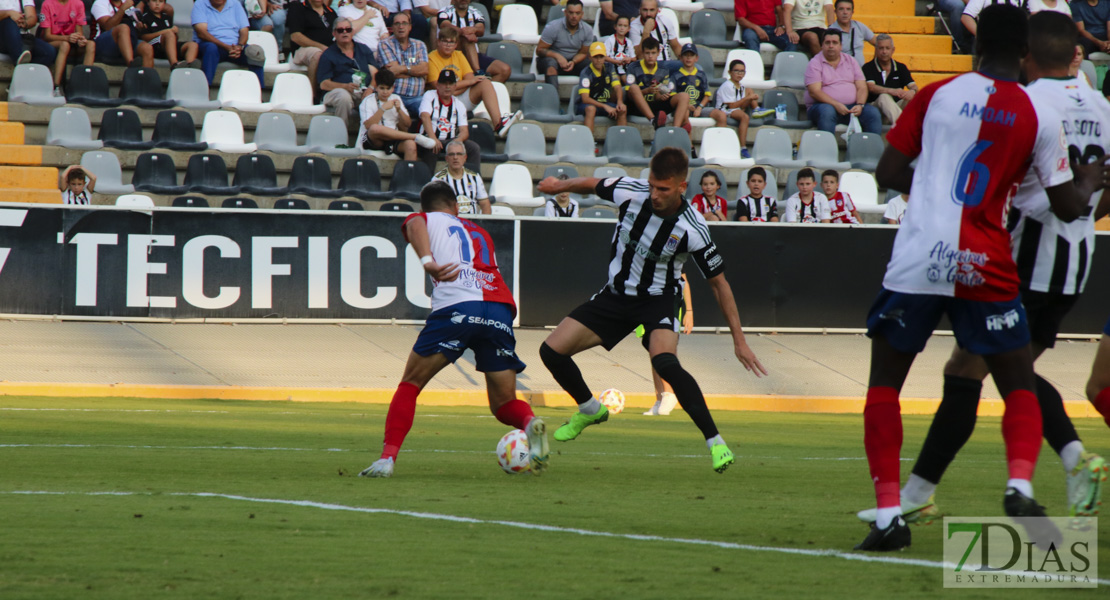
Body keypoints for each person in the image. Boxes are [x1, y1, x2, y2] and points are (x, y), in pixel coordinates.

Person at [856, 4, 1110, 551]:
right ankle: (1019, 482)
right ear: (1024, 53)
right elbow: (1068, 207)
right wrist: (1088, 180)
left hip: (919, 255)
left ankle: (887, 516)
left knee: (885, 385)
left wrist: (933, 187)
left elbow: (888, 173)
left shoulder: (936, 94)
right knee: (1014, 374)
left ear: (973, 48)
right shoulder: (1037, 112)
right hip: (991, 260)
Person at [535, 147, 768, 474]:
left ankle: (715, 442)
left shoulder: (694, 228)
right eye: (652, 185)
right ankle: (589, 408)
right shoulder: (631, 191)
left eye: (664, 189)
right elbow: (592, 183)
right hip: (615, 296)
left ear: (681, 187)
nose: (655, 195)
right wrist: (559, 186)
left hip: (658, 298)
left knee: (664, 361)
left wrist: (739, 341)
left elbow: (720, 285)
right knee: (551, 352)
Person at [358, 180, 548, 479]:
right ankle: (529, 423)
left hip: (458, 308)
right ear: (456, 206)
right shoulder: (480, 231)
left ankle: (387, 458)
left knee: (410, 384)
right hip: (499, 309)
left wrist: (427, 261)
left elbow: (415, 224)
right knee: (504, 403)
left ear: (427, 207)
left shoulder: (424, 218)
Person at [426, 28, 521, 136]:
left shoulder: (458, 55)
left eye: (451, 42)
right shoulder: (431, 58)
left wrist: (455, 89)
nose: (448, 45)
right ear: (438, 42)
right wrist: (465, 84)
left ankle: (499, 124)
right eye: (445, 41)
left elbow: (470, 78)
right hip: (442, 101)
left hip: (459, 96)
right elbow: (438, 86)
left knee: (484, 83)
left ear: (456, 44)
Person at [804, 28, 881, 134]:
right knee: (827, 111)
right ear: (822, 45)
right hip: (822, 107)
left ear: (840, 46)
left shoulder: (851, 61)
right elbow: (814, 91)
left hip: (851, 107)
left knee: (872, 113)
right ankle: (827, 149)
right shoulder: (815, 63)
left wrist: (860, 105)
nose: (831, 46)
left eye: (834, 43)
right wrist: (836, 104)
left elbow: (862, 87)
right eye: (827, 43)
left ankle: (872, 149)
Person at [641, 272, 693, 416]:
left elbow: (684, 279)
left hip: (669, 301)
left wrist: (689, 311)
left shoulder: (671, 251)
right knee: (652, 350)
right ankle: (659, 398)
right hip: (649, 300)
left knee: (663, 349)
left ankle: (670, 394)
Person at [357, 67, 436, 159]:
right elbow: (368, 126)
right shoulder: (368, 100)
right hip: (374, 140)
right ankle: (415, 136)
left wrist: (399, 110)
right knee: (374, 128)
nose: (385, 92)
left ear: (393, 88)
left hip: (392, 139)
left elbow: (408, 124)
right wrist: (382, 109)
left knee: (410, 145)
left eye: (388, 88)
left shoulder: (396, 98)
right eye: (382, 88)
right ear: (376, 88)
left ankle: (410, 172)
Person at [317, 18, 378, 129]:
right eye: (340, 30)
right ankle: (340, 140)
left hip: (363, 90)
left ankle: (371, 138)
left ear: (352, 32)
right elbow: (324, 84)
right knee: (343, 97)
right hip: (336, 93)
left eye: (348, 29)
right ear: (334, 34)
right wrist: (345, 86)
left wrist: (371, 89)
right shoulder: (328, 54)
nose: (345, 32)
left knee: (377, 98)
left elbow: (376, 73)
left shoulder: (363, 49)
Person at [418, 69, 480, 173]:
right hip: (429, 138)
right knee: (431, 146)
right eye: (444, 83)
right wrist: (433, 138)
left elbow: (464, 131)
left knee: (473, 148)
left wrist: (457, 142)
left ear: (455, 86)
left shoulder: (459, 105)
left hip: (449, 141)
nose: (447, 87)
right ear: (437, 85)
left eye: (450, 84)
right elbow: (424, 116)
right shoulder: (430, 95)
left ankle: (473, 180)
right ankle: (427, 182)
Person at [191, 0, 265, 85]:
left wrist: (240, 46)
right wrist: (226, 47)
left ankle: (259, 93)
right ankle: (205, 90)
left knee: (255, 52)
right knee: (211, 48)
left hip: (235, 47)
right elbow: (202, 33)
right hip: (211, 46)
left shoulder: (235, 4)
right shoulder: (200, 3)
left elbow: (244, 31)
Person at [710, 59, 771, 158]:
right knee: (745, 117)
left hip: (736, 108)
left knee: (749, 90)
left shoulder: (741, 86)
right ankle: (743, 147)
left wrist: (749, 98)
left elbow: (741, 106)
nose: (739, 74)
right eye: (736, 71)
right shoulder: (727, 86)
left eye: (742, 71)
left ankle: (757, 109)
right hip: (724, 110)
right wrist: (748, 98)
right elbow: (731, 106)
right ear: (730, 72)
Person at [436, 0, 509, 82]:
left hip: (473, 55)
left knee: (504, 70)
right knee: (467, 39)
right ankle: (478, 72)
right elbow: (445, 25)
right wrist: (464, 32)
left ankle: (483, 90)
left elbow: (481, 29)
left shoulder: (475, 12)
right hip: (452, 53)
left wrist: (473, 29)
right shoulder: (444, 11)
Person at [624, 37, 687, 129]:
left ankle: (675, 130)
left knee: (684, 96)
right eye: (647, 53)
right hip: (637, 106)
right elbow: (629, 95)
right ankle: (653, 120)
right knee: (633, 87)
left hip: (655, 105)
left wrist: (661, 96)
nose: (650, 56)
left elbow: (660, 95)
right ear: (642, 52)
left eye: (653, 53)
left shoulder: (663, 69)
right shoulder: (633, 67)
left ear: (658, 53)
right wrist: (647, 91)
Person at [378, 12, 429, 118]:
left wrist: (402, 68)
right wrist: (416, 71)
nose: (401, 27)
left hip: (417, 98)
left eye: (404, 23)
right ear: (392, 27)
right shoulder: (385, 44)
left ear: (410, 27)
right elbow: (391, 73)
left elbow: (424, 70)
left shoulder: (420, 45)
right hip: (394, 96)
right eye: (397, 23)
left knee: (429, 112)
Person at [862, 33, 917, 125]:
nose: (884, 51)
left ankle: (904, 125)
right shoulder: (868, 67)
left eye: (887, 48)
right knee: (884, 97)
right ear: (876, 50)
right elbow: (871, 87)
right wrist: (892, 91)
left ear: (893, 50)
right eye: (881, 48)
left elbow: (914, 86)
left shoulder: (901, 67)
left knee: (912, 97)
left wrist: (912, 92)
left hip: (896, 108)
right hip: (875, 109)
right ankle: (903, 127)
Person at [536, 0, 593, 88]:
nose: (574, 16)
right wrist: (558, 56)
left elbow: (583, 53)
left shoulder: (588, 29)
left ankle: (586, 98)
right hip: (552, 60)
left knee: (592, 64)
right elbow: (539, 50)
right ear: (565, 13)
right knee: (550, 64)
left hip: (573, 62)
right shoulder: (553, 27)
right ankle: (553, 97)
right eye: (571, 13)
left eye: (577, 13)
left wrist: (573, 61)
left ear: (582, 14)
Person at [39, 0, 91, 95]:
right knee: (65, 45)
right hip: (52, 42)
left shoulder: (78, 3)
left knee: (91, 45)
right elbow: (47, 36)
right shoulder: (47, 4)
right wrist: (67, 38)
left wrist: (80, 39)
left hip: (71, 41)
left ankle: (84, 87)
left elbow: (79, 32)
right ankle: (56, 87)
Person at [287, 0, 336, 91]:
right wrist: (322, 47)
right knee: (318, 54)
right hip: (303, 49)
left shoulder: (331, 12)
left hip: (328, 50)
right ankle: (312, 96)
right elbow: (296, 37)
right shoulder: (298, 8)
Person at [578, 40, 627, 129]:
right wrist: (605, 106)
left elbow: (617, 86)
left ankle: (621, 139)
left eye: (601, 56)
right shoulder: (585, 73)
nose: (599, 60)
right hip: (588, 105)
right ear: (590, 57)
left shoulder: (610, 67)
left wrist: (620, 102)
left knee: (622, 109)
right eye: (595, 57)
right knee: (591, 109)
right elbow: (585, 99)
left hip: (605, 103)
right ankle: (589, 141)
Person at [433, 140, 490, 215]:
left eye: (459, 154)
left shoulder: (474, 177)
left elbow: (485, 204)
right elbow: (434, 208)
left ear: (465, 157)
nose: (455, 157)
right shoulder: (438, 180)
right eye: (451, 154)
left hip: (471, 224)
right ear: (446, 158)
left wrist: (484, 224)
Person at [91, 0, 153, 67]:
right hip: (104, 43)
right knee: (123, 28)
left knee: (147, 48)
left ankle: (147, 76)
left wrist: (139, 26)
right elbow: (108, 27)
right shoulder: (100, 3)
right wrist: (122, 9)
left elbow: (135, 28)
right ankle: (131, 64)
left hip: (127, 41)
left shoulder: (127, 2)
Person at [140, 0, 200, 69]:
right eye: (154, 1)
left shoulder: (167, 17)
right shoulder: (145, 17)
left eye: (161, 1)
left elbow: (174, 38)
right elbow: (144, 37)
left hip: (170, 48)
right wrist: (166, 32)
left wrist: (175, 33)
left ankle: (189, 67)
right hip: (155, 47)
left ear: (164, 4)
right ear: (148, 3)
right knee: (169, 34)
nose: (157, 4)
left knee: (193, 45)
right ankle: (174, 64)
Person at [0, 0, 57, 72]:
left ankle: (24, 76)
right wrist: (8, 13)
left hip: (20, 36)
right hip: (2, 37)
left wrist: (25, 23)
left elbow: (32, 17)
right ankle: (19, 58)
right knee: (9, 22)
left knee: (48, 51)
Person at [670, 43, 710, 135]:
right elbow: (673, 96)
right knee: (685, 113)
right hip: (684, 107)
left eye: (691, 55)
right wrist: (686, 106)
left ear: (696, 58)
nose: (688, 58)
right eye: (685, 55)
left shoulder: (701, 75)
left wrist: (699, 108)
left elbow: (707, 95)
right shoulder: (675, 75)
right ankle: (689, 145)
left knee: (720, 115)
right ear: (680, 58)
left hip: (700, 107)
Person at [629, 0, 680, 71]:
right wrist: (646, 32)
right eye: (645, 10)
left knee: (696, 67)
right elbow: (639, 56)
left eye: (652, 10)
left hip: (667, 63)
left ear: (657, 10)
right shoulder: (634, 26)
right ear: (639, 10)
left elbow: (676, 47)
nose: (648, 14)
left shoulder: (665, 21)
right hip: (646, 67)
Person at [828, 0, 873, 66]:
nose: (845, 12)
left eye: (848, 9)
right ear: (835, 12)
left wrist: (873, 65)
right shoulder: (831, 32)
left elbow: (879, 43)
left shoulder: (859, 26)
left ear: (852, 12)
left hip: (861, 72)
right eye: (841, 9)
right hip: (841, 73)